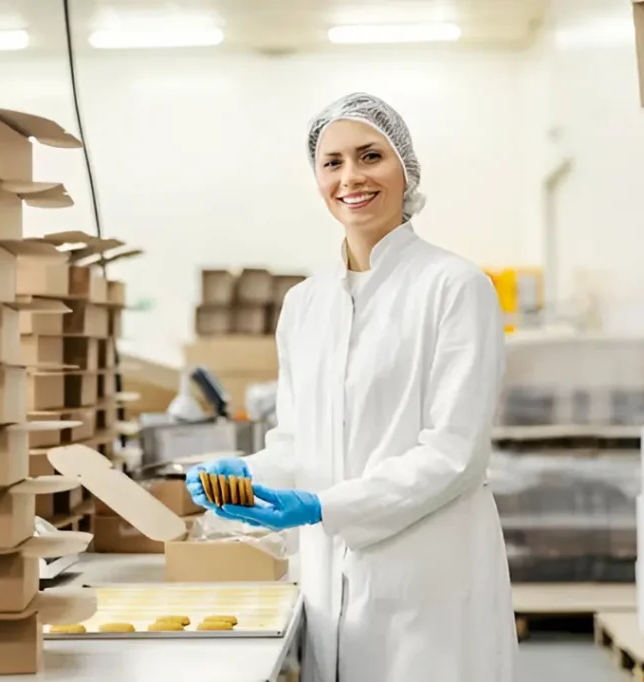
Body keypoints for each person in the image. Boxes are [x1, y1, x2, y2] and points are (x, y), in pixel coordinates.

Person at [186, 92, 516, 682]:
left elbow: (454, 454)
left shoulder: (456, 287)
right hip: (327, 583)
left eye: (370, 156)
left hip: (428, 583)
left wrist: (322, 506)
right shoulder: (304, 304)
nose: (351, 177)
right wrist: (245, 474)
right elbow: (296, 442)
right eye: (332, 162)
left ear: (405, 168)